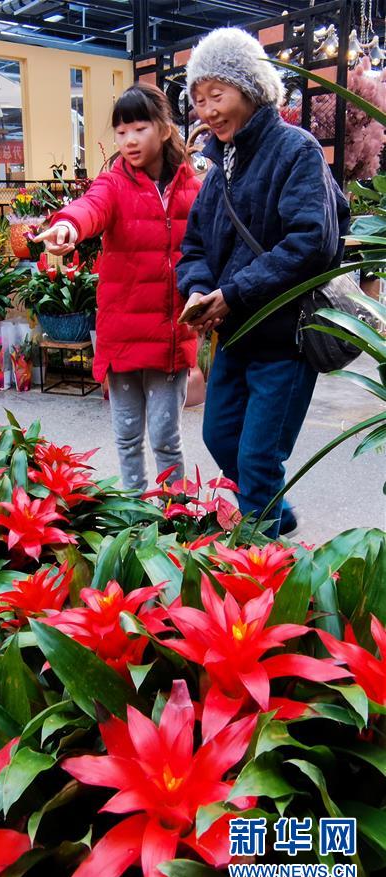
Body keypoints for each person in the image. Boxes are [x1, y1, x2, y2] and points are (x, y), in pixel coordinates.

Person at [176, 27, 350, 537]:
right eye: (199, 99)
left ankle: (261, 570)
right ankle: (277, 510)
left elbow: (311, 241)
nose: (207, 110)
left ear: (250, 89)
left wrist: (232, 293)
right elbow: (195, 248)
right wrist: (197, 290)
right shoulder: (217, 171)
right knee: (220, 437)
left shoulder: (297, 151)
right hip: (234, 336)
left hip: (284, 340)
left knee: (256, 459)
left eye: (217, 95)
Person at [34, 83, 201, 493]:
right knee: (127, 438)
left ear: (164, 129)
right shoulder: (113, 184)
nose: (128, 140)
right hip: (123, 337)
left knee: (166, 438)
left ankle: (171, 515)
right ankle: (132, 511)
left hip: (170, 337)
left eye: (139, 128)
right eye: (121, 131)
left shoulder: (193, 188)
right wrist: (66, 226)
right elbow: (88, 208)